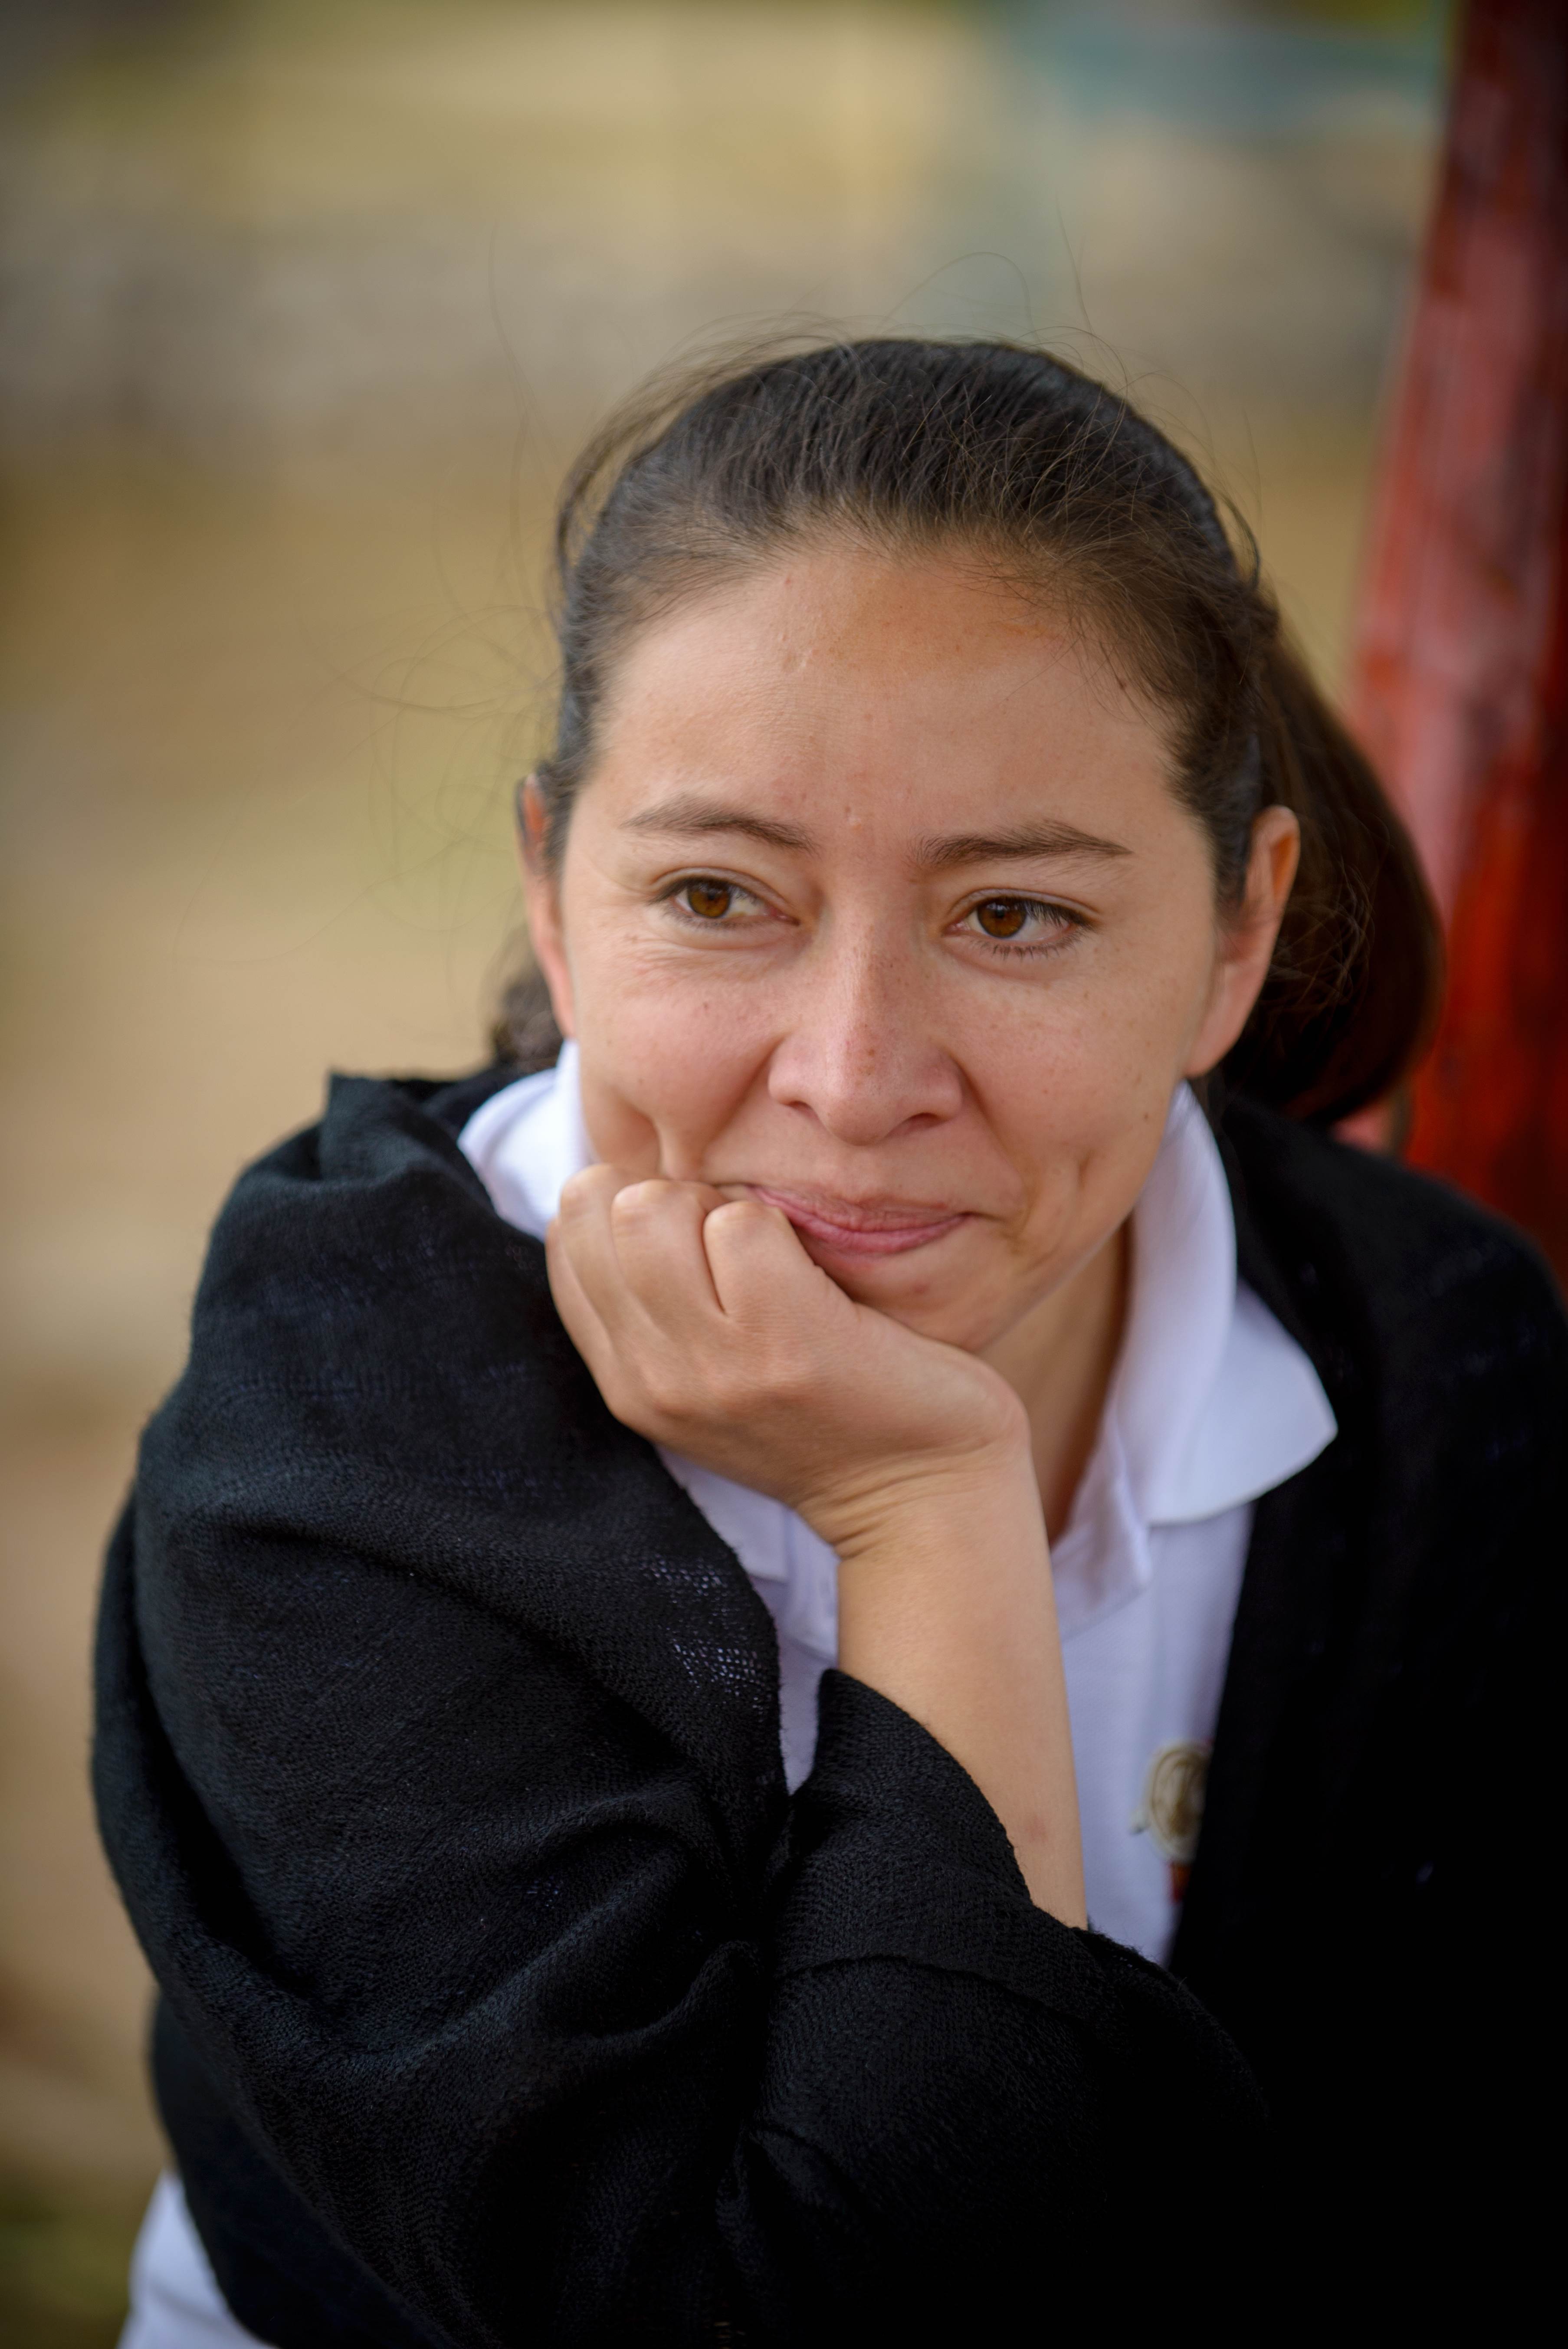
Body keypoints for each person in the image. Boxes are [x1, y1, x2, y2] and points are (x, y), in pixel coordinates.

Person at [100, 341, 1561, 2348]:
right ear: (551, 887)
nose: (855, 1077)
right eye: (716, 894)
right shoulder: (339, 1433)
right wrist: (923, 1507)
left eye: (1016, 917)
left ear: (1236, 932)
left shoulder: (1439, 1362)